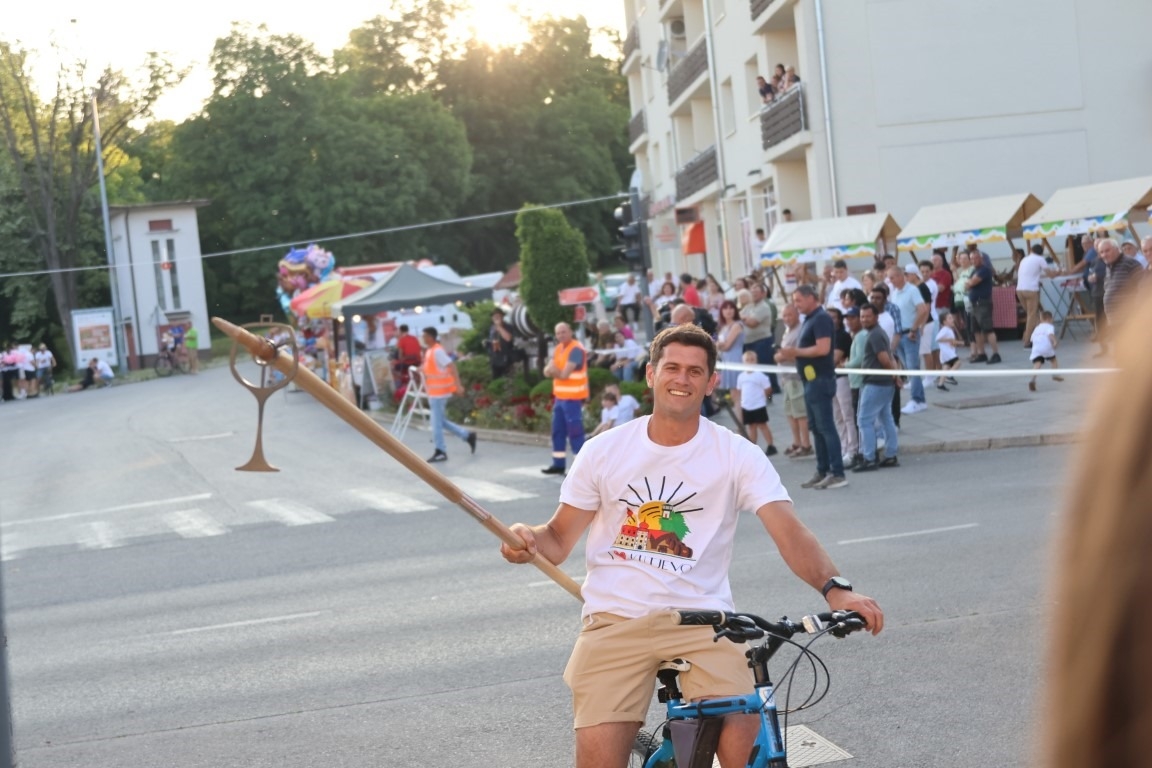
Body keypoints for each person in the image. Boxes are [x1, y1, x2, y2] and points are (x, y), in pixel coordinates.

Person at [500, 323, 883, 768]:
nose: (682, 379)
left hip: (707, 622)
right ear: (651, 374)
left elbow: (790, 531)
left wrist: (835, 588)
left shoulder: (736, 454)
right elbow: (557, 538)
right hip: (615, 620)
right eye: (672, 368)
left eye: (695, 371)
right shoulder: (603, 450)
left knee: (743, 732)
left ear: (711, 381)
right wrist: (527, 539)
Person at [776, 285, 847, 490]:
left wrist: (795, 352)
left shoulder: (821, 318)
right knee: (816, 427)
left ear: (810, 298)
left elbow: (823, 348)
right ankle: (822, 470)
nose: (796, 305)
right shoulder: (810, 319)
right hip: (809, 380)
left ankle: (837, 472)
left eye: (798, 300)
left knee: (826, 427)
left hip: (820, 379)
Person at [852, 304, 900, 472]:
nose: (864, 319)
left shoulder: (875, 335)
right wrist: (895, 376)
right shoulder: (879, 333)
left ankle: (869, 458)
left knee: (864, 420)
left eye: (868, 316)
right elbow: (890, 357)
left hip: (875, 383)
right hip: (883, 383)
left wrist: (894, 375)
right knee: (886, 418)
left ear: (876, 317)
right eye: (862, 316)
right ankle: (891, 454)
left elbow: (885, 358)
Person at [420, 327, 477, 463]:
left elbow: (451, 366)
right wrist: (420, 369)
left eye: (425, 336)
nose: (423, 338)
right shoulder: (430, 351)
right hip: (435, 392)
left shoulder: (437, 351)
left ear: (430, 337)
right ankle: (467, 436)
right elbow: (431, 368)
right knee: (440, 422)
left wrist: (458, 385)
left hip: (439, 393)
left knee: (436, 424)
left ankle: (440, 451)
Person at [543, 322, 588, 475]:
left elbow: (564, 374)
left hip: (572, 398)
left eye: (563, 331)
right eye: (558, 333)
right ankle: (558, 464)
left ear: (570, 332)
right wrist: (553, 370)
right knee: (558, 432)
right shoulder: (558, 349)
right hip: (560, 398)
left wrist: (553, 370)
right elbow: (546, 371)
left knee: (575, 433)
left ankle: (581, 469)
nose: (561, 335)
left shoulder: (576, 349)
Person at [888, 265, 928, 414]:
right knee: (909, 368)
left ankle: (916, 400)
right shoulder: (894, 293)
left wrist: (914, 328)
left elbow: (922, 309)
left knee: (913, 368)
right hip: (898, 334)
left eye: (892, 277)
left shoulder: (912, 290)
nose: (891, 281)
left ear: (900, 276)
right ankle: (920, 400)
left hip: (910, 334)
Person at [775, 305, 811, 458]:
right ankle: (797, 442)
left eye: (790, 315)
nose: (787, 318)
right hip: (786, 379)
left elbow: (797, 354)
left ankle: (806, 444)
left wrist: (781, 356)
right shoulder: (787, 331)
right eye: (784, 315)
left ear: (797, 314)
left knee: (800, 413)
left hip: (796, 379)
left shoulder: (800, 331)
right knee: (790, 412)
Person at [734, 349, 776, 456]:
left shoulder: (760, 375)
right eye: (747, 360)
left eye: (752, 360)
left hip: (759, 405)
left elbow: (768, 389)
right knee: (751, 426)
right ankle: (753, 446)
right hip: (747, 406)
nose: (750, 362)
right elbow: (740, 390)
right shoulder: (741, 376)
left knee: (762, 425)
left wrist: (766, 397)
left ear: (756, 361)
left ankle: (771, 445)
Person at [739, 281, 778, 394]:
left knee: (764, 369)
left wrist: (744, 318)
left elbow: (752, 323)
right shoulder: (749, 306)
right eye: (752, 292)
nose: (754, 294)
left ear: (763, 294)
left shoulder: (764, 307)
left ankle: (770, 393)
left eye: (756, 292)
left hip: (762, 342)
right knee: (753, 369)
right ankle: (758, 391)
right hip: (749, 342)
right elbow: (738, 316)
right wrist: (745, 318)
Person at [1017, 244, 1059, 346]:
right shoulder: (1040, 259)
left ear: (1031, 250)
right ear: (1041, 253)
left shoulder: (1024, 259)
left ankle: (1038, 336)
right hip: (1031, 289)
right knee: (1032, 315)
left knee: (1032, 315)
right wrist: (1058, 272)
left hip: (1019, 290)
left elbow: (1031, 273)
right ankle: (1027, 341)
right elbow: (1050, 275)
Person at [965, 248, 1001, 364]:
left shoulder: (984, 270)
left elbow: (971, 283)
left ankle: (996, 354)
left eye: (976, 258)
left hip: (982, 303)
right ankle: (981, 353)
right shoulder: (974, 271)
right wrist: (969, 283)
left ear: (981, 258)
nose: (973, 260)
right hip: (974, 303)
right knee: (976, 330)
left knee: (987, 329)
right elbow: (967, 285)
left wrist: (970, 283)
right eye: (971, 258)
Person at [1027, 311, 1063, 392]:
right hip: (1046, 347)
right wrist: (1055, 342)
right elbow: (1050, 334)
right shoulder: (1049, 326)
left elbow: (1031, 339)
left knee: (1037, 364)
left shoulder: (1037, 328)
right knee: (1053, 360)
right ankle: (1054, 375)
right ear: (1049, 319)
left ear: (1041, 319)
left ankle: (1032, 380)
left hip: (1036, 348)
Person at [486, 307, 516, 378]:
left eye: (498, 316)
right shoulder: (492, 328)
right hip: (495, 358)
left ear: (502, 317)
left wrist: (499, 327)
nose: (496, 318)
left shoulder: (508, 326)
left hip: (506, 357)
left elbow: (508, 338)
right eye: (494, 317)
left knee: (508, 378)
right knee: (496, 378)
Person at [935, 311, 963, 388]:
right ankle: (949, 375)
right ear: (944, 322)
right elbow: (937, 339)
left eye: (952, 318)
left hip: (946, 352)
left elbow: (951, 341)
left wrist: (958, 343)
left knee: (946, 366)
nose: (952, 320)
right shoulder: (945, 329)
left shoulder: (949, 330)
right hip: (947, 352)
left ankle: (940, 384)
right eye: (950, 318)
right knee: (958, 362)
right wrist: (950, 340)